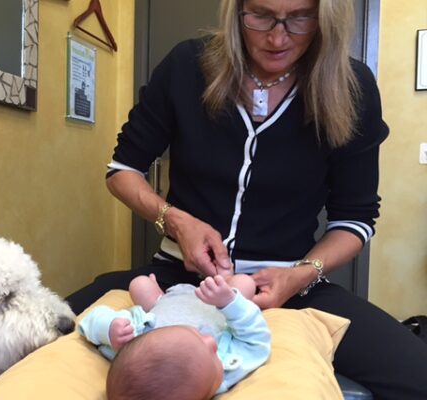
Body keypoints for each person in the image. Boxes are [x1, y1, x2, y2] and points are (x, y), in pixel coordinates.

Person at [67, 0, 427, 398]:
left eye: (299, 18)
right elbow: (122, 171)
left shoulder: (353, 88)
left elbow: (355, 220)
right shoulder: (188, 66)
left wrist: (301, 273)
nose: (277, 36)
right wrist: (177, 222)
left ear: (326, 16)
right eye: (260, 15)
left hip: (293, 285)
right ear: (235, 10)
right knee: (44, 328)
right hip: (179, 281)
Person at [78, 274, 270, 400]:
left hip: (164, 302)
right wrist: (229, 302)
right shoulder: (229, 369)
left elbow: (89, 322)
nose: (210, 340)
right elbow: (257, 339)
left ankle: (156, 288)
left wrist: (110, 329)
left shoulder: (135, 345)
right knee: (245, 283)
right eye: (213, 356)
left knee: (139, 284)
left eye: (196, 335)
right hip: (215, 305)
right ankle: (225, 278)